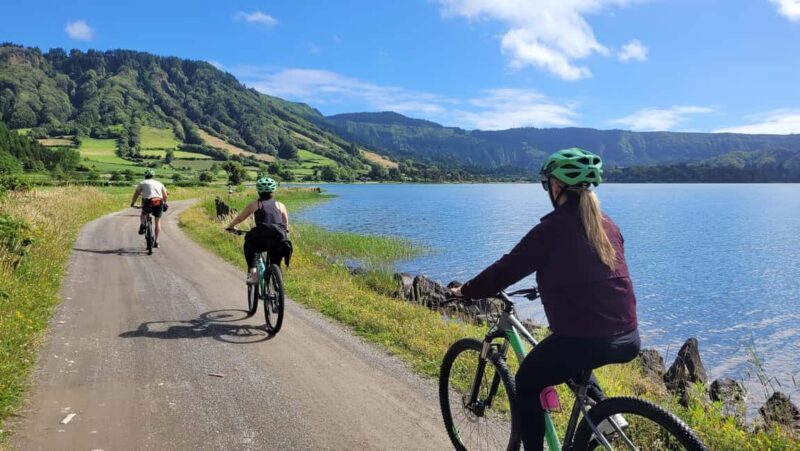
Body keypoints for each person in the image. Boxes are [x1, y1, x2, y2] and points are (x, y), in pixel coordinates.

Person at [450, 148, 640, 450]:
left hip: (585, 338)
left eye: (547, 184)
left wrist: (466, 290)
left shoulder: (551, 230)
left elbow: (506, 269)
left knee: (527, 382)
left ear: (556, 187)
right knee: (572, 360)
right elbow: (599, 274)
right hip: (629, 336)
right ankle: (605, 412)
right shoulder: (608, 225)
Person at [226, 177, 290, 284]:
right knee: (276, 262)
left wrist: (231, 226)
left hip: (261, 239)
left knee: (249, 246)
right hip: (279, 239)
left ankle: (254, 275)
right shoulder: (281, 205)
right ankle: (278, 285)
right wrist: (286, 231)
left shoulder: (255, 204)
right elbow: (285, 224)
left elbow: (240, 218)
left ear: (258, 191)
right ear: (273, 191)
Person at [130, 169, 168, 248]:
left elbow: (136, 194)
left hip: (147, 201)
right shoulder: (159, 183)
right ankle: (156, 242)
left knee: (143, 213)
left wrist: (133, 203)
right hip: (158, 201)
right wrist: (164, 202)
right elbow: (165, 195)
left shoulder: (142, 183)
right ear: (153, 176)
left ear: (145, 176)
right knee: (157, 221)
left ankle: (143, 224)